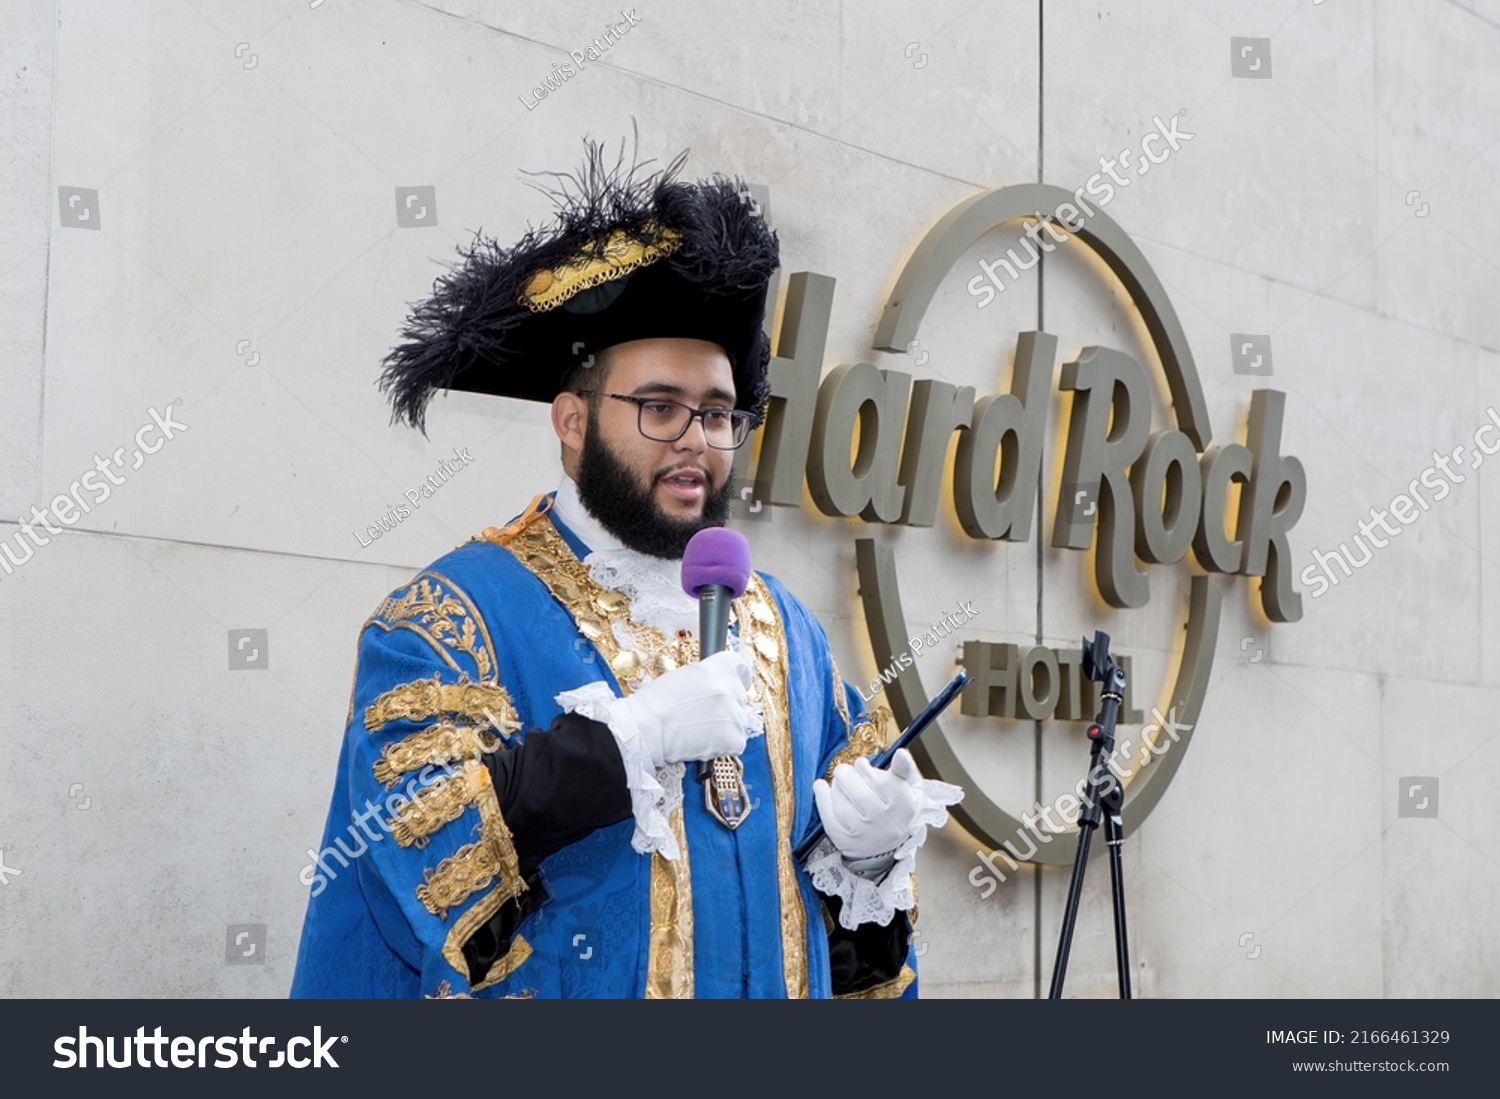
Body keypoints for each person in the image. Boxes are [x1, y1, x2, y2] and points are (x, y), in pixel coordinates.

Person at [289, 137, 961, 999]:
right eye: (659, 406)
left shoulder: (790, 633)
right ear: (572, 422)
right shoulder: (450, 618)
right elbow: (422, 866)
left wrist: (863, 859)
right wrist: (626, 741)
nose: (696, 438)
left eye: (718, 414)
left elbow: (835, 953)